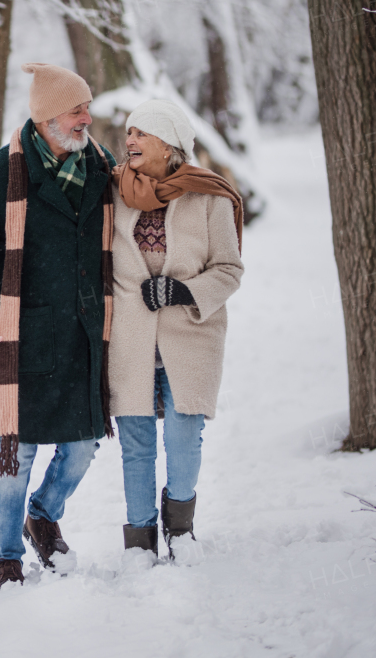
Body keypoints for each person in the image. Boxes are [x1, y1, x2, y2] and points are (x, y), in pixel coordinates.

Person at [0, 63, 116, 590]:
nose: (87, 118)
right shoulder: (1, 174)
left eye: (87, 107)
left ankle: (42, 513)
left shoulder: (100, 166)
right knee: (16, 454)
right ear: (45, 116)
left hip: (87, 335)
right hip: (22, 337)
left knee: (84, 444)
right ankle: (5, 558)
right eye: (76, 109)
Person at [109, 99, 243, 561]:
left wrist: (182, 292)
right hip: (128, 337)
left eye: (141, 133)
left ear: (169, 145)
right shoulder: (114, 191)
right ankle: (139, 540)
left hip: (191, 335)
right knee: (136, 441)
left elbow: (229, 269)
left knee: (184, 435)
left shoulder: (209, 196)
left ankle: (180, 528)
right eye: (128, 134)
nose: (130, 141)